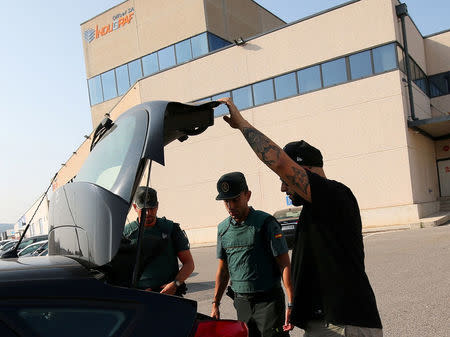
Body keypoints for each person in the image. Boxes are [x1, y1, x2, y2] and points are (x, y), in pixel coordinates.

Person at [218, 97, 383, 337]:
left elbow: (280, 164)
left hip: (342, 323)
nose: (283, 188)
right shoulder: (316, 208)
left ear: (303, 172)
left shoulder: (334, 195)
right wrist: (296, 305)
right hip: (327, 323)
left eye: (286, 181)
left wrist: (242, 124)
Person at [211, 171, 294, 337]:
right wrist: (215, 303)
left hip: (268, 302)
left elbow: (284, 264)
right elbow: (223, 270)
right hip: (242, 302)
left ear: (247, 195)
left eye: (235, 199)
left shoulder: (266, 223)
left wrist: (291, 302)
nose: (231, 206)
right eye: (226, 201)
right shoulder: (223, 229)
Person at [122, 186, 194, 296]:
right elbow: (119, 271)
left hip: (170, 295)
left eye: (152, 208)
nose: (148, 213)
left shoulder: (170, 229)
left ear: (158, 206)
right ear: (135, 207)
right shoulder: (127, 234)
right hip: (140, 298)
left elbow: (189, 264)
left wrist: (175, 284)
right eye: (144, 209)